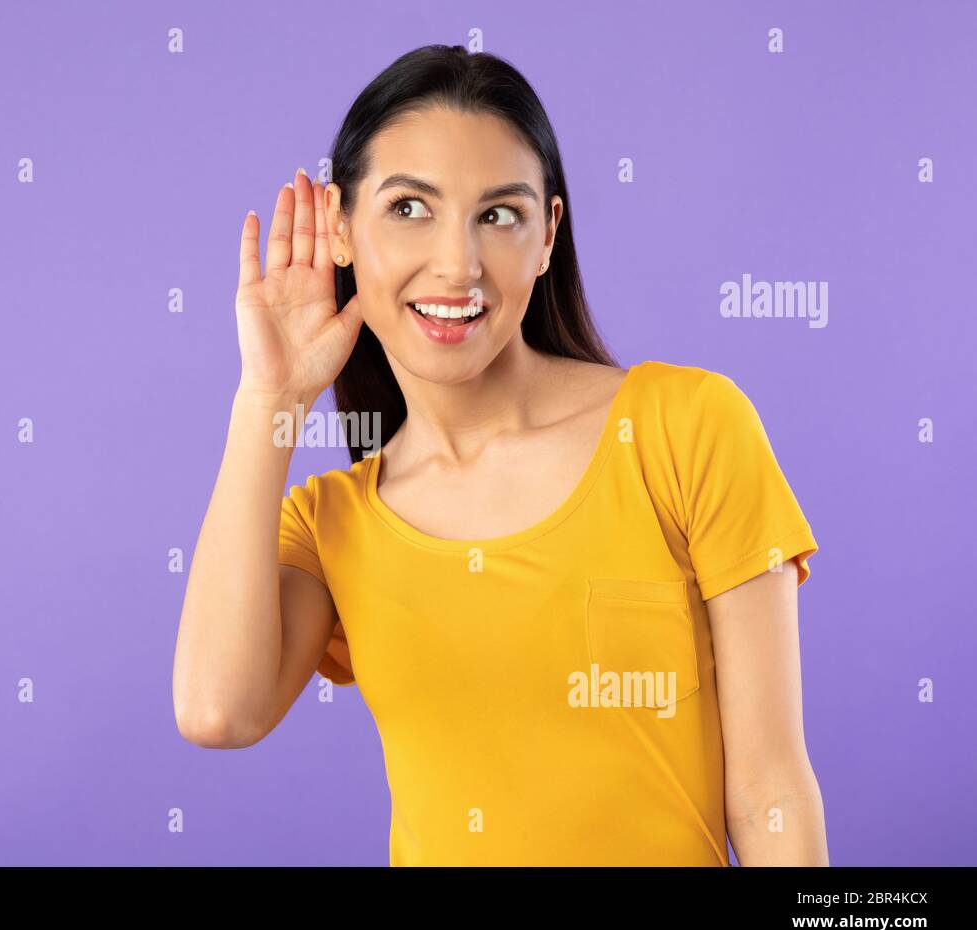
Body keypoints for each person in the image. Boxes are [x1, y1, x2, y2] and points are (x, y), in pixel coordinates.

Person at [173, 44, 828, 866]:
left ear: (548, 234)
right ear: (339, 229)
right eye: (410, 208)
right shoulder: (331, 524)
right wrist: (268, 400)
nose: (458, 265)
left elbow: (771, 789)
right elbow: (215, 712)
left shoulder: (688, 427)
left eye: (499, 214)